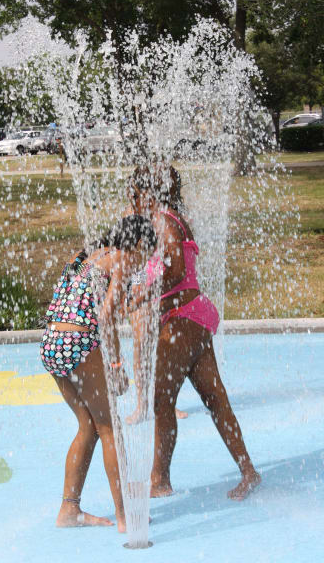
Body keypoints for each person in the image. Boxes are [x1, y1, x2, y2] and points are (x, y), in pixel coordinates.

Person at [127, 165, 261, 501]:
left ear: (150, 193)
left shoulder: (163, 220)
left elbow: (175, 268)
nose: (131, 200)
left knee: (161, 401)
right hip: (194, 316)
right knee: (215, 399)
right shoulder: (171, 218)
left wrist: (142, 294)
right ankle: (248, 471)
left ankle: (159, 480)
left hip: (180, 320)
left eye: (135, 193)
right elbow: (163, 265)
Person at [40, 215, 158, 532]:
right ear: (136, 245)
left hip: (52, 344)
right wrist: (116, 366)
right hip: (78, 340)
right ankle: (125, 516)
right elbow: (105, 318)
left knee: (88, 426)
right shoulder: (120, 261)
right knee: (111, 429)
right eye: (146, 254)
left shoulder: (88, 255)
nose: (143, 262)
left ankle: (69, 510)